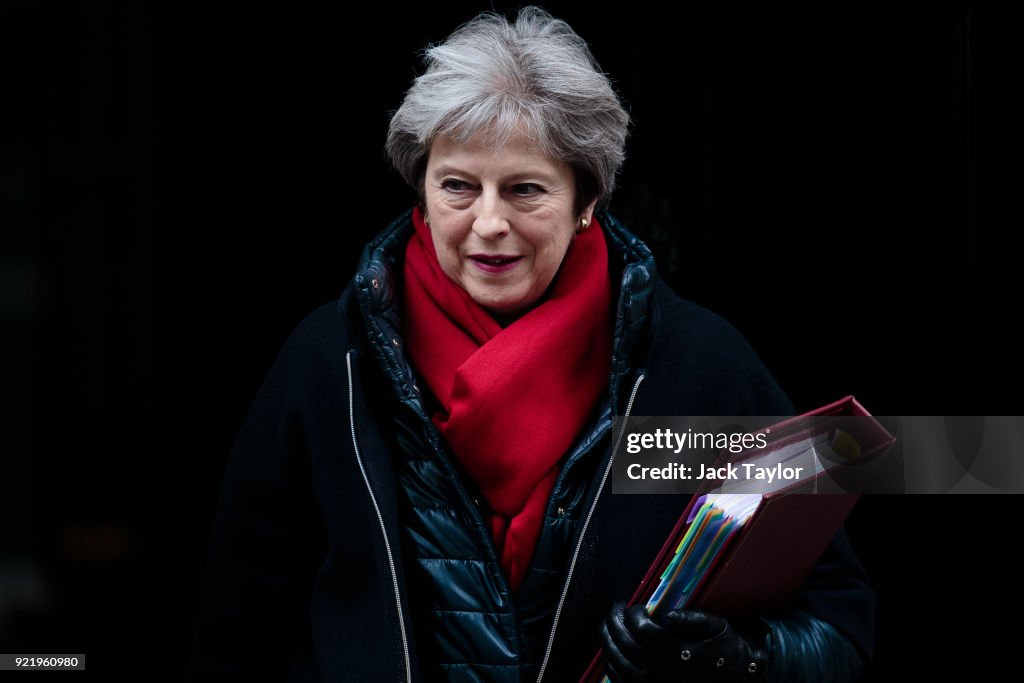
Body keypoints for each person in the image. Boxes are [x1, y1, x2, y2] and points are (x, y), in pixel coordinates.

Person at [191, 7, 873, 681]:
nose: (489, 221)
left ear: (587, 201)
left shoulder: (699, 365)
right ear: (421, 194)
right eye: (458, 186)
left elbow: (839, 628)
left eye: (525, 190)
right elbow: (238, 633)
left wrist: (731, 660)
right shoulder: (329, 363)